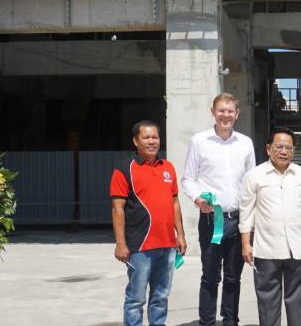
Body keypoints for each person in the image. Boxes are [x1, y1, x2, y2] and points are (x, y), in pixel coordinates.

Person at [182, 93, 256, 326]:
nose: (226, 115)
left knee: (234, 277)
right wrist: (197, 200)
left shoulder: (245, 143)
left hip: (238, 219)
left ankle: (230, 320)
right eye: (221, 110)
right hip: (211, 219)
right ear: (212, 112)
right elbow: (187, 179)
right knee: (210, 276)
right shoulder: (199, 141)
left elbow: (251, 181)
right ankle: (207, 322)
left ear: (237, 114)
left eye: (230, 111)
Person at [110, 120, 187, 326]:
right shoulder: (124, 169)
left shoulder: (168, 167)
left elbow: (175, 202)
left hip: (168, 245)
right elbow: (117, 209)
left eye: (155, 137)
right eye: (146, 137)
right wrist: (120, 243)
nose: (152, 141)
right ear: (136, 141)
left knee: (161, 297)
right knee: (136, 299)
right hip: (140, 247)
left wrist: (180, 234)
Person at [238, 128, 301, 326]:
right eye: (279, 147)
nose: (284, 151)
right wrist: (245, 243)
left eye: (288, 148)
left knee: (298, 301)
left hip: (298, 248)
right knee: (267, 302)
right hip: (266, 249)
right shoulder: (254, 175)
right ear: (268, 149)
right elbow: (246, 211)